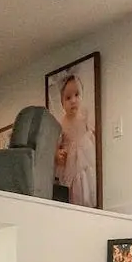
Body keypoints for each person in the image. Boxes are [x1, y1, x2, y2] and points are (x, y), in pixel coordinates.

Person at [52, 73, 98, 206]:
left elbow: (93, 131)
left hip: (86, 154)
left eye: (77, 95)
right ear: (62, 102)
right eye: (68, 98)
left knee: (87, 178)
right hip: (71, 162)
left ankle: (90, 202)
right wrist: (58, 154)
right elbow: (58, 143)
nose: (73, 100)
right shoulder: (61, 123)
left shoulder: (85, 114)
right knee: (74, 185)